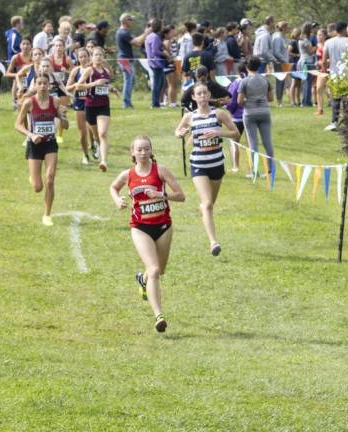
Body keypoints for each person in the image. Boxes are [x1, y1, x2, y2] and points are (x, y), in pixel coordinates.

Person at [109, 136, 185, 332]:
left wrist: (161, 194)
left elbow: (181, 196)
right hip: (140, 227)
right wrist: (117, 200)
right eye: (139, 150)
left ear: (151, 151)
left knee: (159, 271)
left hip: (163, 227)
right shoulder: (128, 175)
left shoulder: (160, 171)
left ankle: (143, 279)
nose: (143, 153)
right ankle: (159, 316)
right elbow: (113, 187)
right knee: (153, 270)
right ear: (132, 153)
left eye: (146, 149)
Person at [175, 82, 240, 256]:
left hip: (217, 164)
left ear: (209, 95)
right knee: (208, 204)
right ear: (194, 97)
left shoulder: (219, 114)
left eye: (205, 93)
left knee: (209, 203)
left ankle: (204, 210)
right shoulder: (190, 116)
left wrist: (220, 133)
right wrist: (181, 133)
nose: (203, 97)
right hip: (199, 164)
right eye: (199, 94)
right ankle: (213, 242)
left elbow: (236, 133)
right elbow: (178, 130)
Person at [14, 73, 69, 226]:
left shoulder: (55, 101)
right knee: (38, 187)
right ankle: (33, 178)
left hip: (50, 144)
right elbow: (17, 125)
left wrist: (63, 118)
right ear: (35, 85)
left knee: (50, 180)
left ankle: (47, 214)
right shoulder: (29, 103)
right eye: (40, 83)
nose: (43, 86)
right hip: (35, 145)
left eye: (45, 83)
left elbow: (66, 125)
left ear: (49, 86)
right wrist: (31, 135)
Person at [76, 47, 118, 171]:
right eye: (96, 55)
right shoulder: (89, 70)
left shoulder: (106, 71)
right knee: (96, 136)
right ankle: (96, 144)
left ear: (103, 56)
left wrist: (112, 89)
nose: (98, 57)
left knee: (103, 133)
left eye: (100, 55)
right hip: (90, 106)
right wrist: (94, 83)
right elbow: (78, 86)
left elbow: (104, 84)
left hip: (104, 106)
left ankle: (104, 161)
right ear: (92, 57)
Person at [237, 56, 274, 177]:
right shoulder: (265, 80)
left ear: (247, 67)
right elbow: (271, 98)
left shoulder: (245, 81)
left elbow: (239, 101)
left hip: (250, 113)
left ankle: (255, 171)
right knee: (267, 142)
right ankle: (270, 171)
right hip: (264, 111)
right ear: (259, 66)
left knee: (253, 143)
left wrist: (248, 101)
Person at [322, 21, 348, 131]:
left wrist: (326, 72)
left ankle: (334, 121)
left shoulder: (329, 42)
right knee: (347, 99)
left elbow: (324, 60)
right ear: (344, 29)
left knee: (335, 99)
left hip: (335, 73)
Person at [116, 12, 150, 109]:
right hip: (125, 60)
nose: (133, 22)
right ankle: (126, 103)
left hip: (125, 59)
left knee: (131, 80)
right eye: (131, 20)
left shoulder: (124, 32)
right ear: (125, 21)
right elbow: (138, 42)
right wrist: (146, 33)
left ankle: (127, 101)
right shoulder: (123, 33)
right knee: (128, 80)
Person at [66, 47, 93, 164]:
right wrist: (77, 84)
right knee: (82, 132)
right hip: (79, 103)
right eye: (80, 57)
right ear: (77, 58)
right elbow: (67, 88)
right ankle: (85, 155)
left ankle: (94, 145)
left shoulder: (93, 70)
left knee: (92, 128)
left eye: (85, 56)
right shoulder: (75, 71)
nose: (83, 59)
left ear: (89, 57)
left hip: (92, 102)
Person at [225, 62, 247, 172]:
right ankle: (252, 168)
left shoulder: (235, 83)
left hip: (237, 117)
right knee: (251, 144)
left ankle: (236, 166)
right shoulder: (252, 81)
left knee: (234, 142)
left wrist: (231, 111)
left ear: (238, 71)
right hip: (250, 116)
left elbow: (230, 100)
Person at [145, 18, 170, 109]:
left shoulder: (150, 36)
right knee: (157, 84)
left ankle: (157, 103)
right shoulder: (155, 37)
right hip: (156, 63)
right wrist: (164, 53)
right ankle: (155, 104)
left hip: (154, 62)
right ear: (159, 26)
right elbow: (155, 51)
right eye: (162, 25)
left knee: (161, 82)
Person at [5, 37, 32, 110]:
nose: (25, 46)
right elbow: (7, 73)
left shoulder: (34, 56)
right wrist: (18, 74)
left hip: (31, 81)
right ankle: (15, 101)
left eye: (27, 44)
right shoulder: (16, 57)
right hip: (19, 81)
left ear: (31, 46)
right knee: (15, 80)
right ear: (20, 45)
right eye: (23, 44)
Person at [297, 22, 316, 108]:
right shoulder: (305, 40)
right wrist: (317, 47)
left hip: (302, 61)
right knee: (308, 82)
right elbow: (310, 52)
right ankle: (307, 102)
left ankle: (304, 100)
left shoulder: (301, 39)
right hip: (307, 61)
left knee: (305, 82)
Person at [271, 21, 289, 107]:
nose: (288, 29)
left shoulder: (282, 37)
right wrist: (284, 60)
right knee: (279, 82)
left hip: (284, 62)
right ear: (283, 28)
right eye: (287, 27)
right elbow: (276, 52)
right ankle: (279, 101)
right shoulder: (278, 37)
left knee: (282, 82)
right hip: (279, 63)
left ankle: (280, 100)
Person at [162, 25, 180, 108]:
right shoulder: (167, 41)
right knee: (171, 84)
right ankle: (171, 102)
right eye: (173, 31)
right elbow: (166, 51)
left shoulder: (173, 40)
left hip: (175, 64)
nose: (174, 32)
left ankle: (174, 101)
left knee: (175, 84)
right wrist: (172, 60)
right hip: (169, 65)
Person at [314, 28, 329, 116]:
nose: (318, 37)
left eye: (320, 35)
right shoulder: (318, 45)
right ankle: (320, 110)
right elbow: (318, 58)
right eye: (317, 35)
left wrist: (326, 61)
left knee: (332, 91)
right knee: (319, 88)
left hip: (330, 70)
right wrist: (317, 62)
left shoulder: (328, 44)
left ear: (325, 36)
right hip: (321, 70)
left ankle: (339, 109)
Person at [288, 27, 301, 107]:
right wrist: (296, 55)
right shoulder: (292, 42)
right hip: (293, 63)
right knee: (294, 82)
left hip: (298, 64)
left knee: (299, 83)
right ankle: (292, 101)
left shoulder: (297, 42)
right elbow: (289, 52)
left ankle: (298, 100)